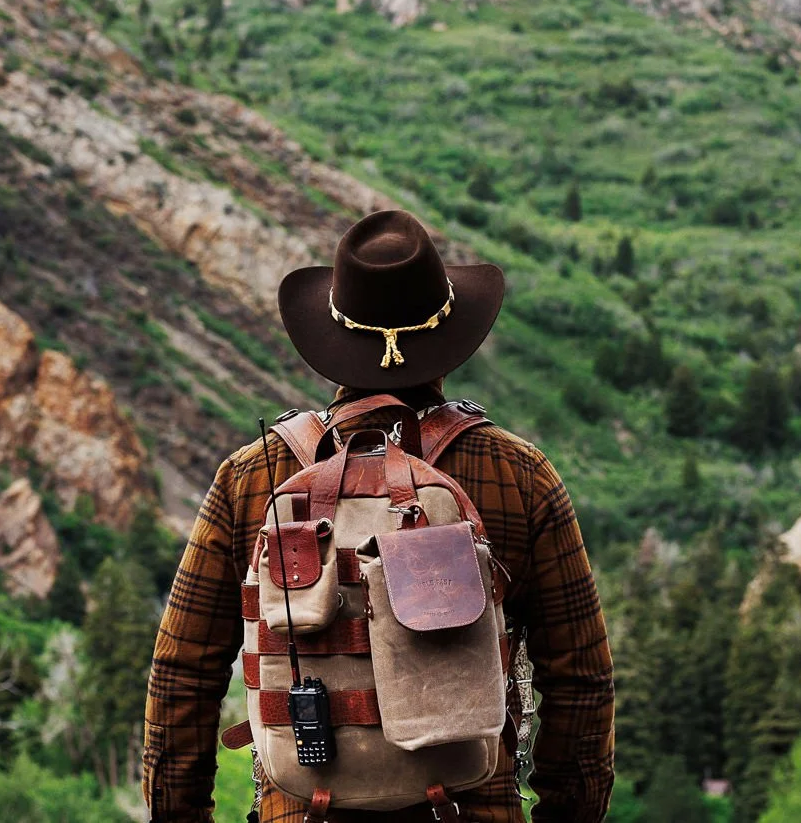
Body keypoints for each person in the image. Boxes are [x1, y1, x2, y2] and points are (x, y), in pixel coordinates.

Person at [143, 209, 615, 822]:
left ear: (331, 343)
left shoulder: (252, 476)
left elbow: (183, 674)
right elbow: (581, 683)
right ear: (449, 343)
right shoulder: (518, 474)